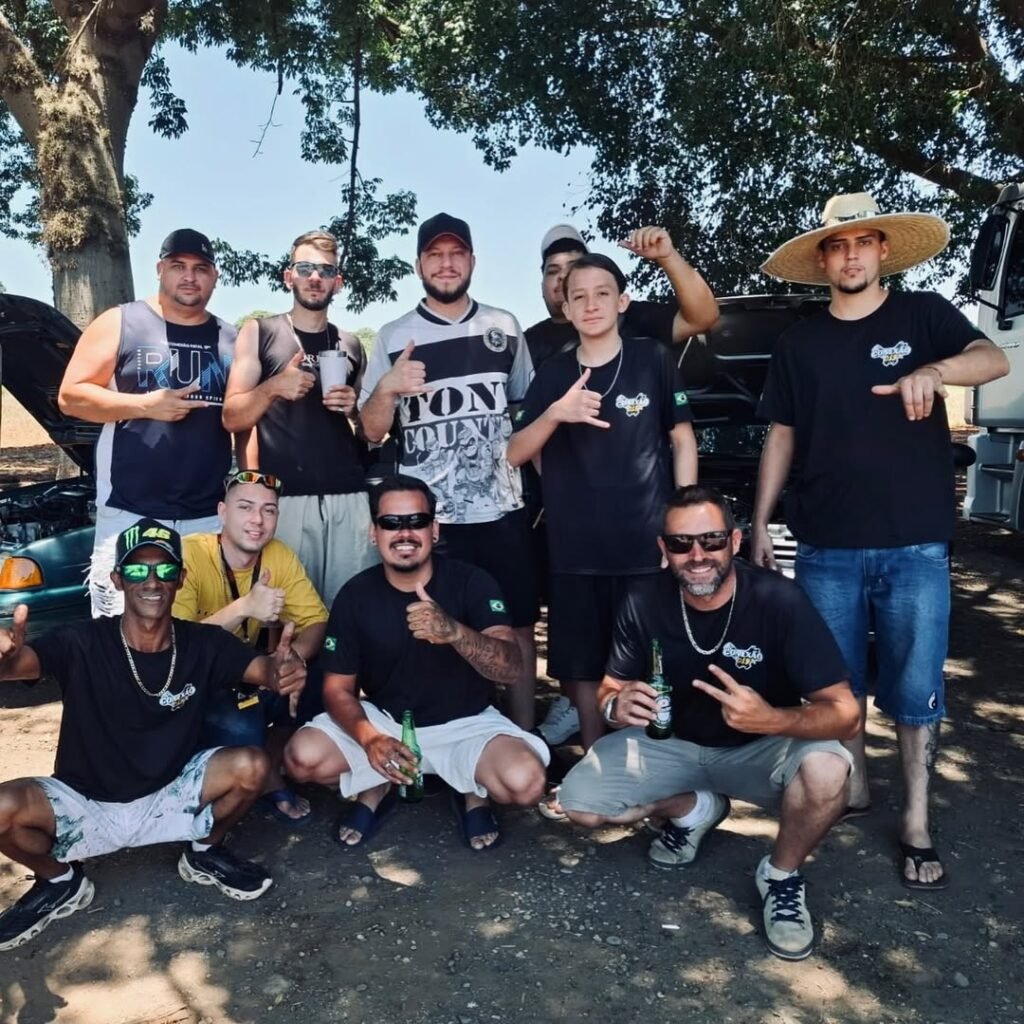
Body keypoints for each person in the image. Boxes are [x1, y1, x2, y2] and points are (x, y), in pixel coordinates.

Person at [753, 192, 1010, 891]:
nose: (850, 256)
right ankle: (856, 785)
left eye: (862, 242)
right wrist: (760, 521)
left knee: (917, 687)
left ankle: (917, 821)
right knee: (837, 685)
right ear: (823, 260)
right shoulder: (800, 343)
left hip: (914, 543)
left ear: (883, 249)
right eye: (837, 246)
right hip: (825, 544)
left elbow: (993, 359)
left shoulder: (923, 316)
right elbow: (782, 434)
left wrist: (934, 371)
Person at [556, 486, 859, 961]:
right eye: (681, 543)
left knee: (829, 768)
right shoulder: (643, 598)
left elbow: (846, 714)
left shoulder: (778, 599)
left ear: (735, 542)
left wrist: (771, 718)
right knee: (580, 804)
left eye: (711, 540)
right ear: (664, 549)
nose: (697, 555)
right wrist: (615, 706)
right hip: (674, 745)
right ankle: (695, 808)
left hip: (760, 747)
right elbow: (610, 688)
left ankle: (780, 875)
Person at [0, 519, 306, 951]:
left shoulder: (203, 642)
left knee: (251, 765)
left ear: (180, 578)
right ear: (117, 579)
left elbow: (265, 671)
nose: (151, 581)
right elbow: (19, 665)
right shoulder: (80, 641)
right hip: (86, 801)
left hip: (170, 794)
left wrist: (284, 669)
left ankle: (204, 851)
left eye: (164, 570)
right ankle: (60, 880)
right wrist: (5, 657)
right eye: (137, 570)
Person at [523, 225, 717, 746]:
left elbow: (682, 440)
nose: (591, 305)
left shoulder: (651, 358)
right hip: (574, 550)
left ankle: (659, 765)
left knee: (652, 660)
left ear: (622, 301)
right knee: (583, 670)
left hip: (645, 547)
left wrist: (682, 528)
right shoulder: (553, 373)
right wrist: (557, 419)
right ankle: (595, 759)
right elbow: (518, 450)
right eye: (578, 297)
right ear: (565, 307)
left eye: (602, 294)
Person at [284, 476, 549, 852]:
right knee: (302, 759)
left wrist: (454, 632)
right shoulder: (355, 594)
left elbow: (510, 669)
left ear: (434, 530)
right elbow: (337, 690)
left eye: (417, 521)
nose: (404, 533)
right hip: (389, 722)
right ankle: (378, 783)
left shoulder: (472, 581)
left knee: (526, 783)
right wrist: (371, 739)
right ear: (374, 533)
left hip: (467, 724)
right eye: (391, 523)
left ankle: (473, 792)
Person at [359, 213, 539, 731]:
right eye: (434, 255)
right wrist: (388, 387)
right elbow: (371, 431)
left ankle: (524, 735)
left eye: (456, 253)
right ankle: (441, 736)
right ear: (419, 265)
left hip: (501, 510)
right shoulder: (394, 336)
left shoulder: (504, 327)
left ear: (472, 261)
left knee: (516, 626)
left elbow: (526, 416)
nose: (446, 264)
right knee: (431, 627)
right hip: (429, 520)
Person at [58, 229, 238, 618]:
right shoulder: (121, 321)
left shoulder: (231, 338)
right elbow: (71, 397)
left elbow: (242, 418)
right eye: (178, 266)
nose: (189, 276)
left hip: (207, 515)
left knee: (203, 633)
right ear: (159, 269)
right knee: (120, 633)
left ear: (214, 276)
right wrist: (145, 406)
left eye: (200, 268)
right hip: (129, 510)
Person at [222, 230, 375, 606]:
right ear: (288, 276)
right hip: (285, 499)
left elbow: (369, 432)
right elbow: (232, 417)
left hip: (349, 498)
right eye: (305, 268)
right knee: (287, 614)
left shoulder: (351, 344)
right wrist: (274, 387)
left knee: (351, 610)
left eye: (326, 270)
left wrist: (353, 408)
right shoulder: (260, 332)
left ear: (337, 282)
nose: (315, 277)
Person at [172, 469, 329, 826]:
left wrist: (289, 660)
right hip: (201, 682)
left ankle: (268, 764)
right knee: (241, 729)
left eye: (268, 510)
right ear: (222, 512)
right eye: (245, 507)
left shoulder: (278, 554)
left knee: (321, 679)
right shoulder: (190, 554)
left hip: (254, 674)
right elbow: (175, 645)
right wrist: (244, 607)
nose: (258, 520)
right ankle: (255, 779)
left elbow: (317, 622)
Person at [524, 223, 719, 369]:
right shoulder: (523, 346)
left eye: (574, 266)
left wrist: (668, 257)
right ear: (541, 287)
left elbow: (702, 317)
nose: (562, 276)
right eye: (553, 271)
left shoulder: (632, 317)